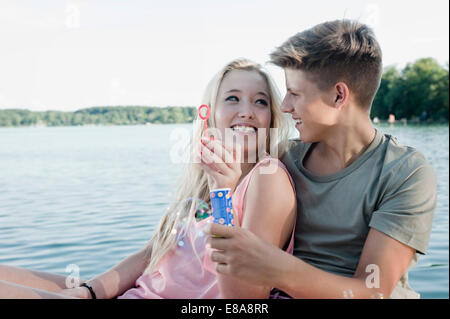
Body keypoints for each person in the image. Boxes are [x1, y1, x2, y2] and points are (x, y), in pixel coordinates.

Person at [0, 58, 297, 299]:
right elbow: (149, 256)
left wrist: (223, 195)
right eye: (233, 98)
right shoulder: (202, 183)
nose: (246, 112)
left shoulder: (267, 178)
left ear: (271, 116)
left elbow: (245, 301)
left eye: (260, 102)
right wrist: (86, 293)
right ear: (210, 115)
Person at [204, 20, 437, 299]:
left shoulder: (405, 172)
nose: (284, 106)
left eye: (295, 93)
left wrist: (277, 268)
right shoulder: (280, 159)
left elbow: (372, 292)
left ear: (338, 96)